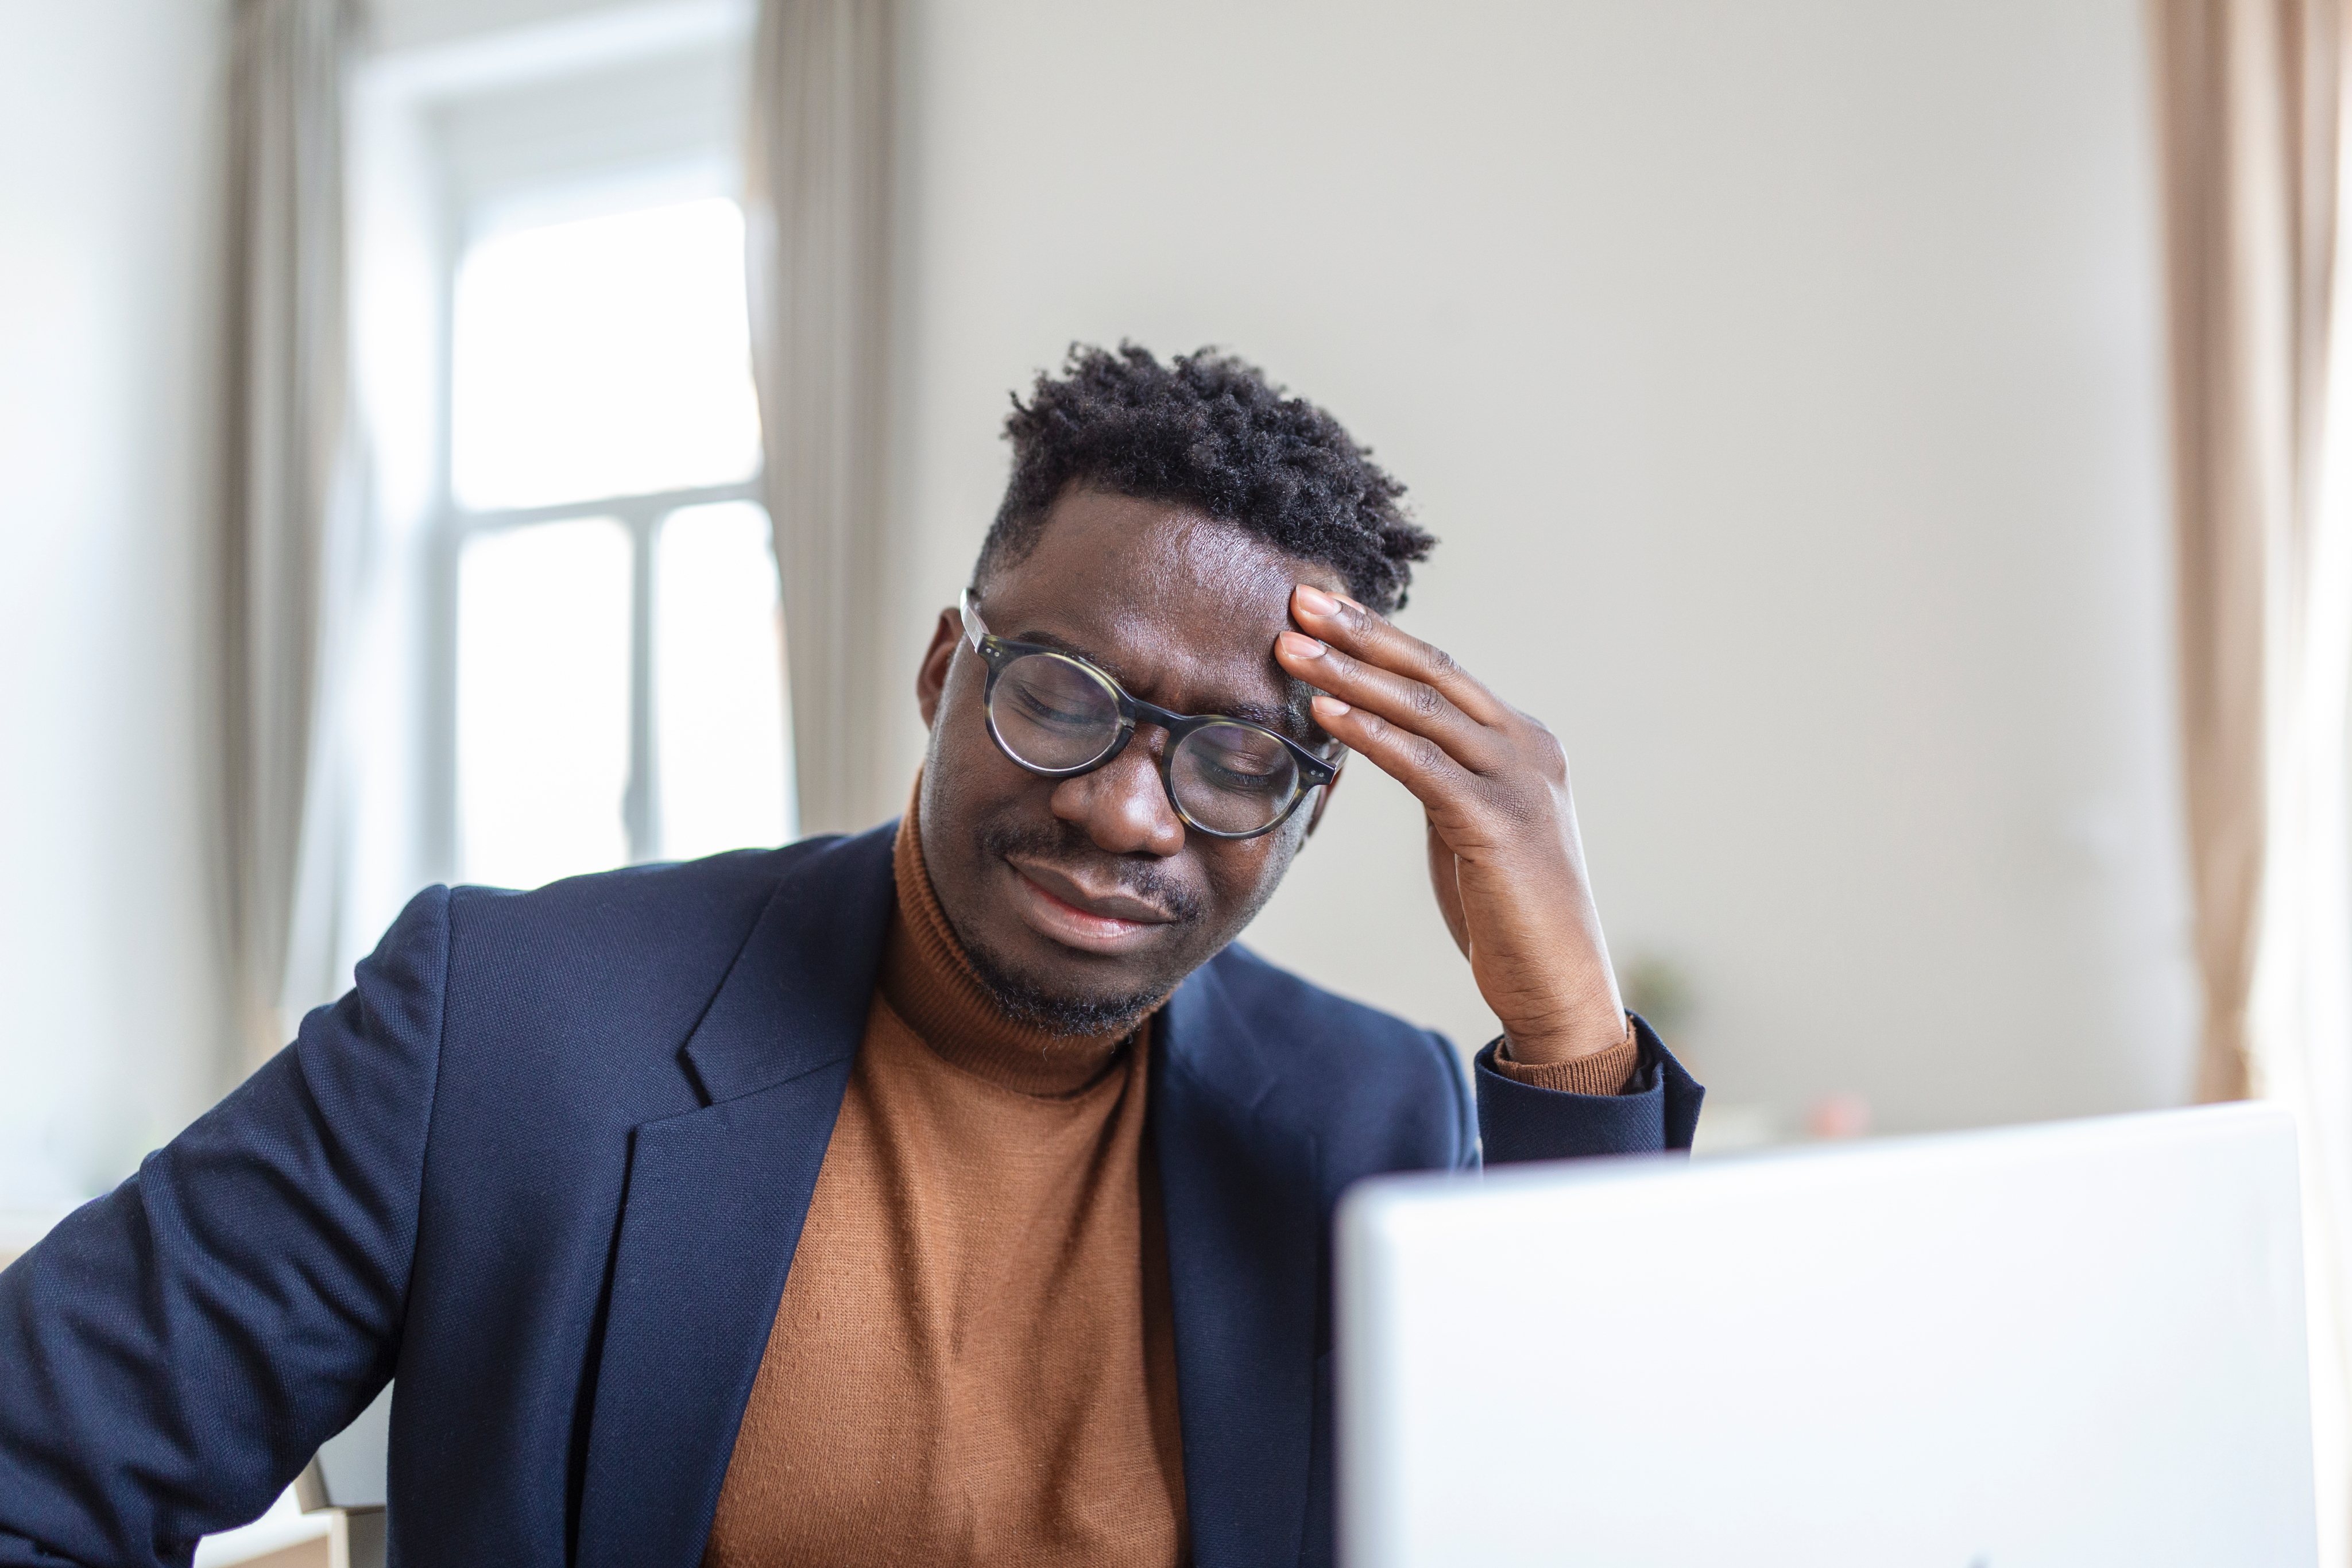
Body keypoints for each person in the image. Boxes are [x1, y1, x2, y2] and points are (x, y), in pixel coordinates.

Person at [0, 344, 1701, 1568]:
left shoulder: (1367, 1110)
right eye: (1061, 694)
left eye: (1238, 757)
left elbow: (1605, 1515)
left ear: (1314, 810)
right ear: (942, 668)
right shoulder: (504, 1024)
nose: (1126, 809)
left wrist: (1569, 1037)